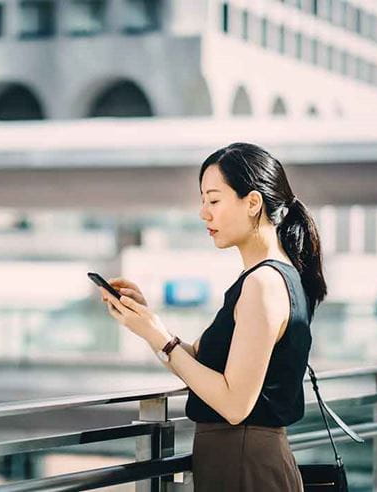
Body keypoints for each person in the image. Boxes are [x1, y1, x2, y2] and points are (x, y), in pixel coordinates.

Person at [98, 143, 326, 491]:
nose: (204, 213)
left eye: (214, 200)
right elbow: (203, 368)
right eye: (203, 200)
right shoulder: (273, 277)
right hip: (241, 460)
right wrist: (148, 325)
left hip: (244, 464)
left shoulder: (263, 283)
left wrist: (162, 339)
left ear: (252, 203)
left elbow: (234, 403)